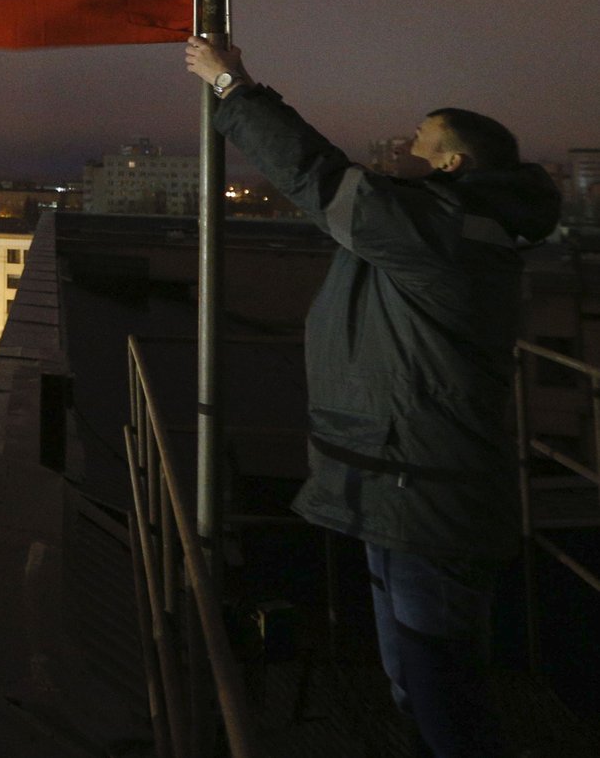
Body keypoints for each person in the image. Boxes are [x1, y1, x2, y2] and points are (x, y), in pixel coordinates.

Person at [185, 37, 562, 758]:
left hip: (420, 484)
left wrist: (233, 88)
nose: (408, 141)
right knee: (421, 670)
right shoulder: (460, 226)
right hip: (408, 480)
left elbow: (321, 181)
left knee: (438, 678)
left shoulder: (442, 229)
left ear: (455, 163)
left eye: (426, 137)